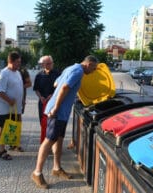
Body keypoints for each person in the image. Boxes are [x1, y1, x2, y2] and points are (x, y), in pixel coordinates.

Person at [31, 55, 98, 189]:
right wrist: (56, 107)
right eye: (94, 68)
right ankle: (37, 173)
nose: (94, 71)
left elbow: (56, 83)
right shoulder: (78, 71)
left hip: (62, 112)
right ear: (89, 64)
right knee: (49, 140)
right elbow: (64, 87)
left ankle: (57, 168)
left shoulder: (70, 68)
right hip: (57, 111)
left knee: (59, 139)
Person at [0, 51, 24, 160]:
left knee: (13, 126)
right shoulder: (4, 73)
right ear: (10, 61)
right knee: (3, 128)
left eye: (20, 62)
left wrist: (22, 101)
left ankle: (13, 144)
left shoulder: (17, 72)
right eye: (17, 62)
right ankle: (1, 150)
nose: (19, 64)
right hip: (5, 108)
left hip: (15, 108)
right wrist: (9, 100)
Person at [33, 55, 60, 143]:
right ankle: (44, 140)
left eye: (51, 63)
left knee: (53, 123)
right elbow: (36, 89)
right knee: (43, 122)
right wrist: (40, 97)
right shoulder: (39, 75)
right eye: (47, 63)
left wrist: (52, 95)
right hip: (42, 102)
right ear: (43, 65)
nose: (50, 65)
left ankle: (52, 142)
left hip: (54, 102)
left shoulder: (57, 74)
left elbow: (60, 88)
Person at [8, 63, 32, 152]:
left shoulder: (23, 71)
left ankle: (17, 143)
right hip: (8, 100)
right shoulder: (7, 71)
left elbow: (29, 83)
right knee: (9, 120)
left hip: (19, 100)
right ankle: (11, 142)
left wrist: (19, 86)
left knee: (17, 120)